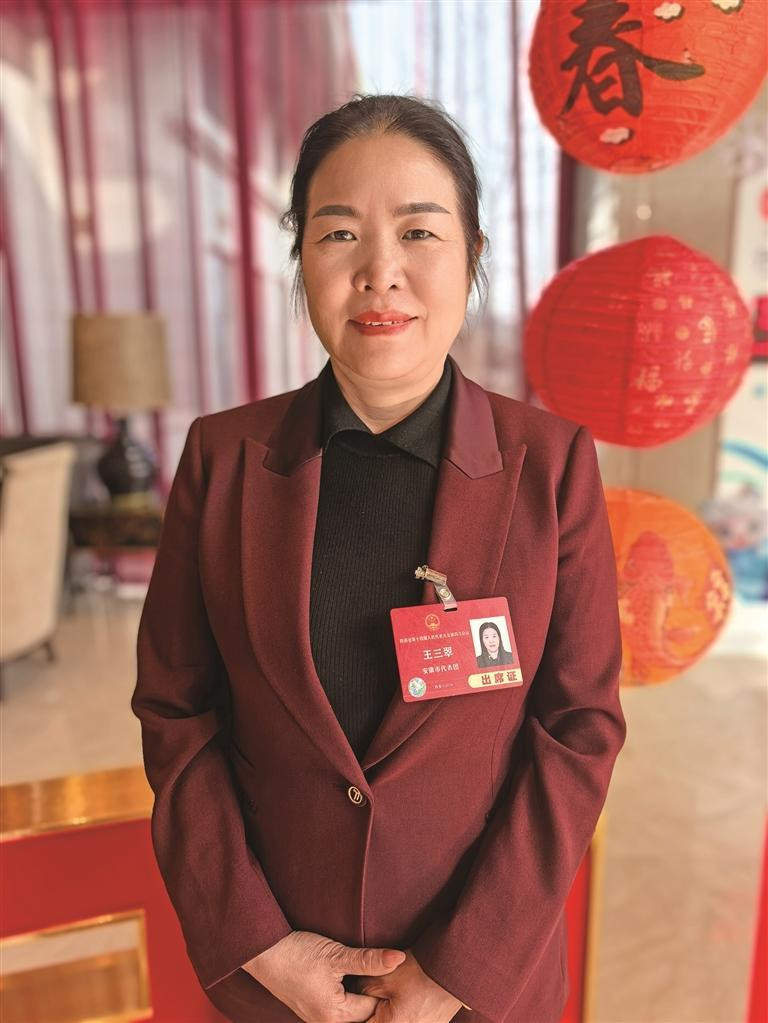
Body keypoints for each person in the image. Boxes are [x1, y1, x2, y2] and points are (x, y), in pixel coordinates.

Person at [131, 93, 626, 1023]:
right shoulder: (221, 460)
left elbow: (578, 731)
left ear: (473, 254)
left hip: (482, 989)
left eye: (419, 232)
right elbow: (177, 712)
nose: (379, 273)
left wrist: (458, 971)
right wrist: (261, 945)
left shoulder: (550, 467)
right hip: (278, 985)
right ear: (301, 260)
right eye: (339, 234)